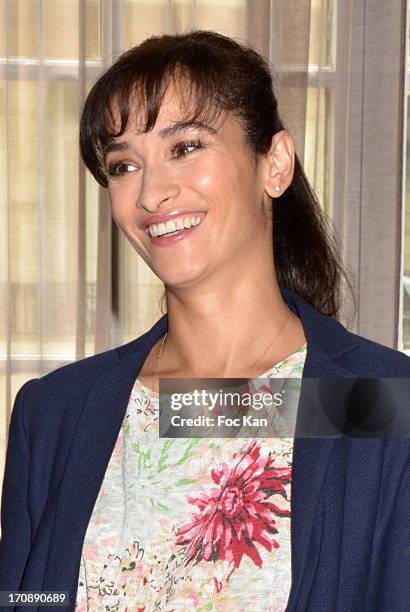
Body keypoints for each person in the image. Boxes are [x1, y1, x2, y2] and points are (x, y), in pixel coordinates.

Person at [0, 30, 409, 612]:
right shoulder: (59, 413)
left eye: (185, 147)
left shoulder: (377, 403)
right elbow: (25, 599)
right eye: (122, 165)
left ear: (275, 164)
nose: (150, 193)